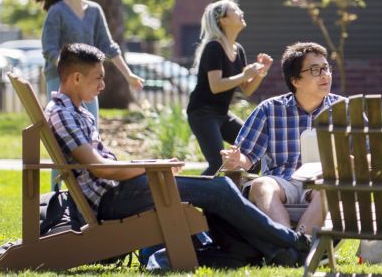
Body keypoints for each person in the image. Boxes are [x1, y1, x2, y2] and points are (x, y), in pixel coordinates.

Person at [45, 43, 309, 266]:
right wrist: (152, 169)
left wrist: (152, 164)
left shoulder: (76, 112)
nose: (103, 85)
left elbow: (105, 166)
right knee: (218, 189)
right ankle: (291, 240)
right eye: (98, 78)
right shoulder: (64, 114)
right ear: (76, 78)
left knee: (218, 190)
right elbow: (101, 169)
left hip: (119, 191)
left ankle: (283, 252)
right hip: (111, 200)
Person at [221, 42, 343, 235]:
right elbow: (246, 157)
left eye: (325, 68)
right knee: (261, 185)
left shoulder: (344, 110)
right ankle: (287, 240)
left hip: (323, 182)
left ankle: (299, 242)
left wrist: (354, 162)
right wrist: (236, 160)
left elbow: (370, 155)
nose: (324, 74)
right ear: (296, 80)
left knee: (329, 187)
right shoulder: (269, 110)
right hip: (282, 183)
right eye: (315, 70)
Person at [33, 0, 143, 121]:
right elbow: (49, 49)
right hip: (59, 78)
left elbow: (108, 46)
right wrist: (70, 71)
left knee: (91, 127)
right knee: (62, 129)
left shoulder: (94, 10)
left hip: (88, 78)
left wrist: (128, 75)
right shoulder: (57, 11)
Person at [187, 0, 273, 176]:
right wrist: (244, 75)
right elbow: (216, 86)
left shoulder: (237, 49)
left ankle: (238, 196)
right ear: (224, 21)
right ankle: (191, 197)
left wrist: (260, 73)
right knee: (217, 164)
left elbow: (247, 89)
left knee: (254, 155)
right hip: (202, 113)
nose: (241, 12)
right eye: (235, 10)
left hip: (222, 114)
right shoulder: (214, 48)